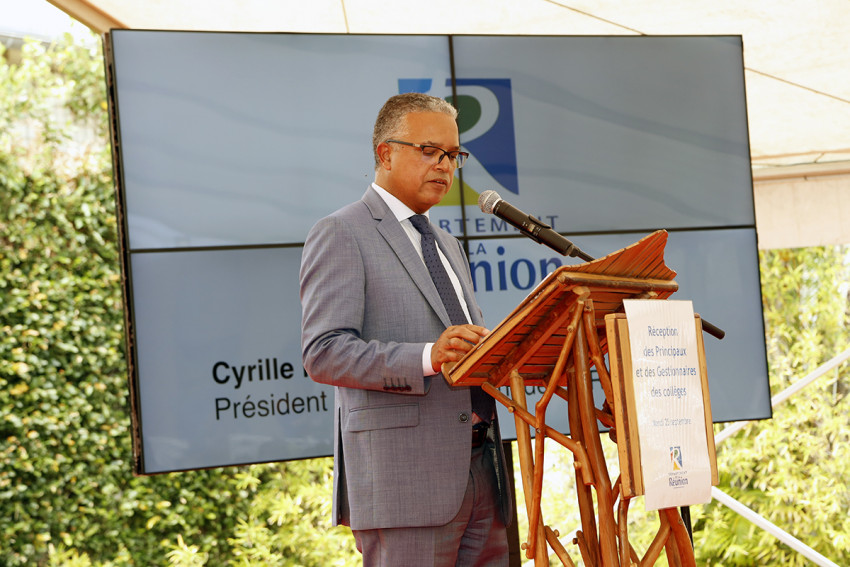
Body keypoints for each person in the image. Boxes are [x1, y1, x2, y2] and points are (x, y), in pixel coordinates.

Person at [300, 92, 513, 566]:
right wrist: (426, 357)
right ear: (385, 153)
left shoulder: (447, 243)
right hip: (405, 483)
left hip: (483, 471)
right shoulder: (342, 231)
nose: (445, 165)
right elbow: (324, 351)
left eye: (454, 155)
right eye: (429, 151)